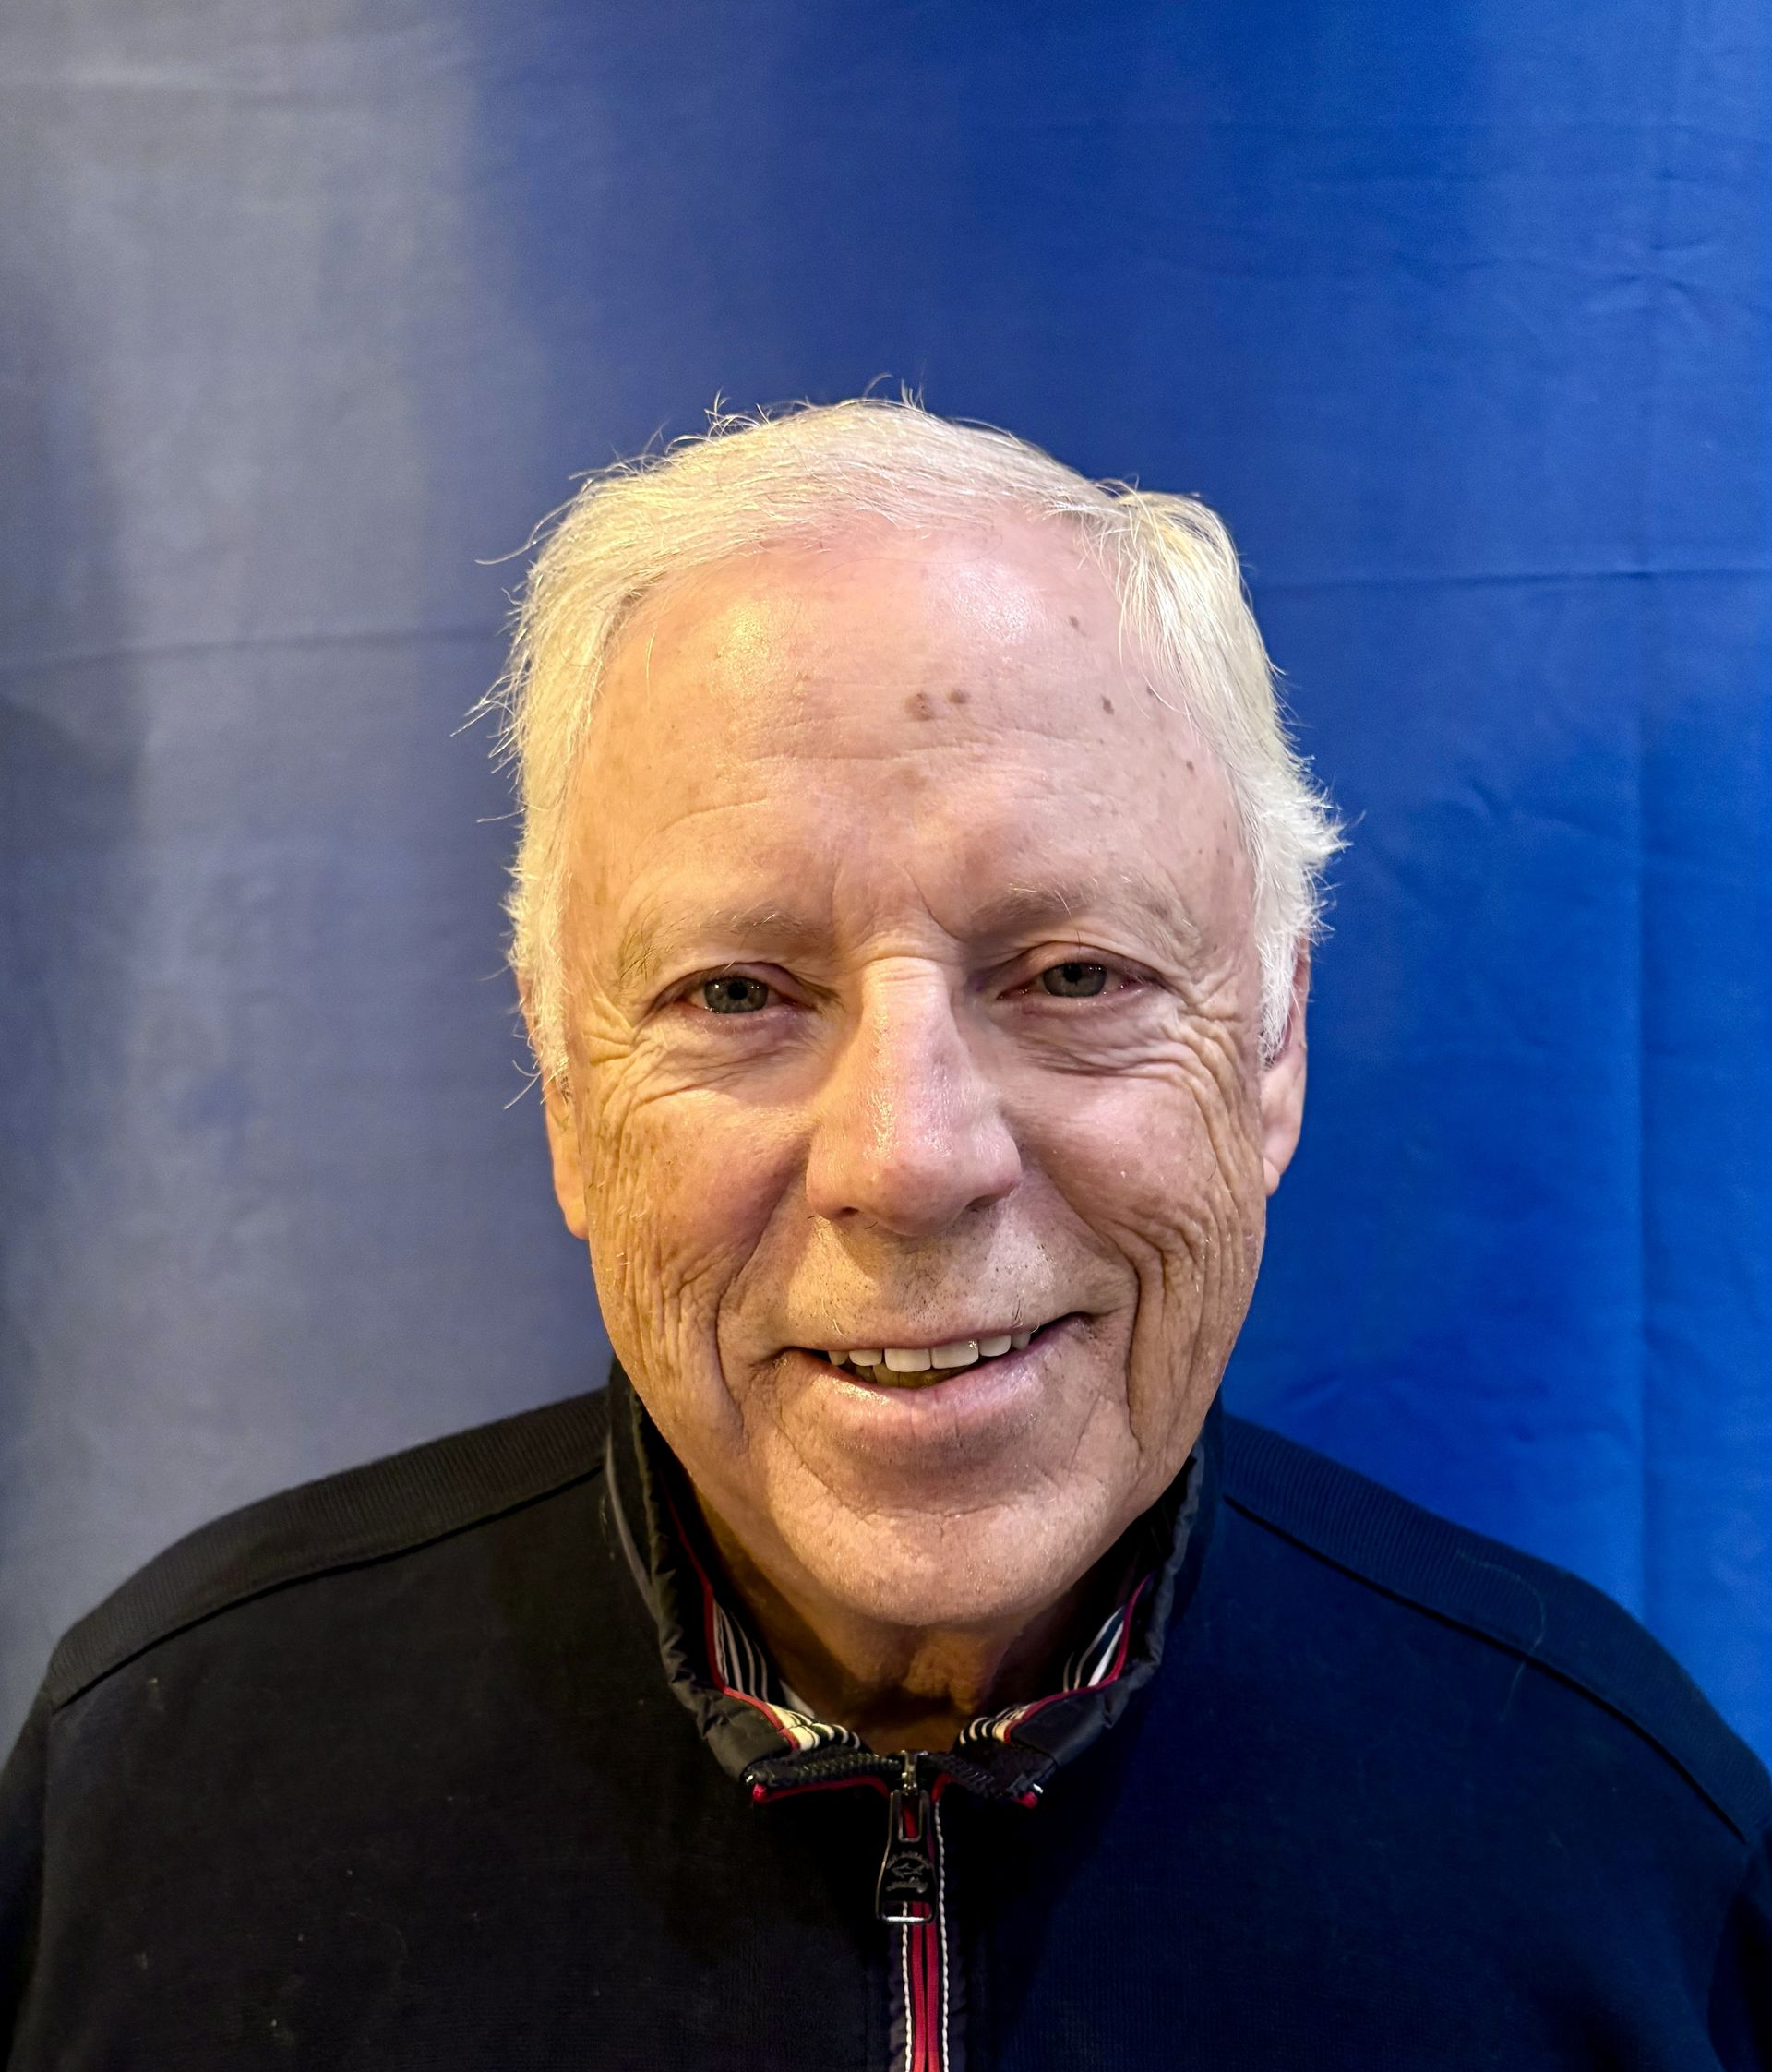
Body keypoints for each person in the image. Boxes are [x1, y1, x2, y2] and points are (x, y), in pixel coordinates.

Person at [1, 400, 1766, 2070]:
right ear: (561, 1080)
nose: (911, 1160)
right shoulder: (163, 1798)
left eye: (1074, 975)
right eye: (739, 993)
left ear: (1277, 1046)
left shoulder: (1614, 1854)